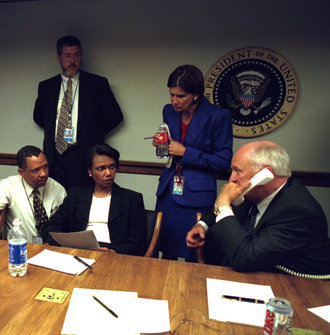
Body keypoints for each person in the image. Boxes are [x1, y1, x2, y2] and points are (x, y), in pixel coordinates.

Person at [186, 141, 330, 276]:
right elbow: (225, 209)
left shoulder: (298, 211)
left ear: (265, 175)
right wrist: (202, 224)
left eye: (238, 171)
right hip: (250, 277)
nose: (231, 179)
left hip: (297, 288)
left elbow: (244, 258)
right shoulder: (252, 194)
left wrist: (222, 204)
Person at [152, 65, 233, 261]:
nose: (174, 101)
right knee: (164, 252)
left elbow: (223, 161)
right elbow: (171, 147)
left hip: (197, 196)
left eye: (180, 96)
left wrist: (186, 153)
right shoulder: (169, 111)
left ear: (195, 94)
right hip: (168, 191)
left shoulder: (218, 116)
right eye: (171, 94)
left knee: (194, 255)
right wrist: (162, 143)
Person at [33, 35, 123, 190]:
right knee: (55, 203)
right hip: (54, 157)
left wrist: (91, 132)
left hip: (84, 156)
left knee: (82, 204)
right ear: (59, 57)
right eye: (67, 56)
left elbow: (115, 116)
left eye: (76, 55)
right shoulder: (47, 86)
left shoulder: (97, 84)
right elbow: (39, 117)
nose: (72, 61)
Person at [41, 144, 147, 256]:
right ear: (89, 171)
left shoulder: (132, 199)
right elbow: (50, 228)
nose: (108, 173)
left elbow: (139, 243)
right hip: (79, 252)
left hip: (113, 255)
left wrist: (114, 251)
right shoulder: (75, 195)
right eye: (101, 168)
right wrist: (70, 245)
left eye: (112, 167)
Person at [0, 145, 66, 243]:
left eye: (45, 167)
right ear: (22, 172)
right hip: (20, 249)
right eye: (36, 170)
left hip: (51, 249)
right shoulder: (8, 186)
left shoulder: (57, 189)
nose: (43, 174)